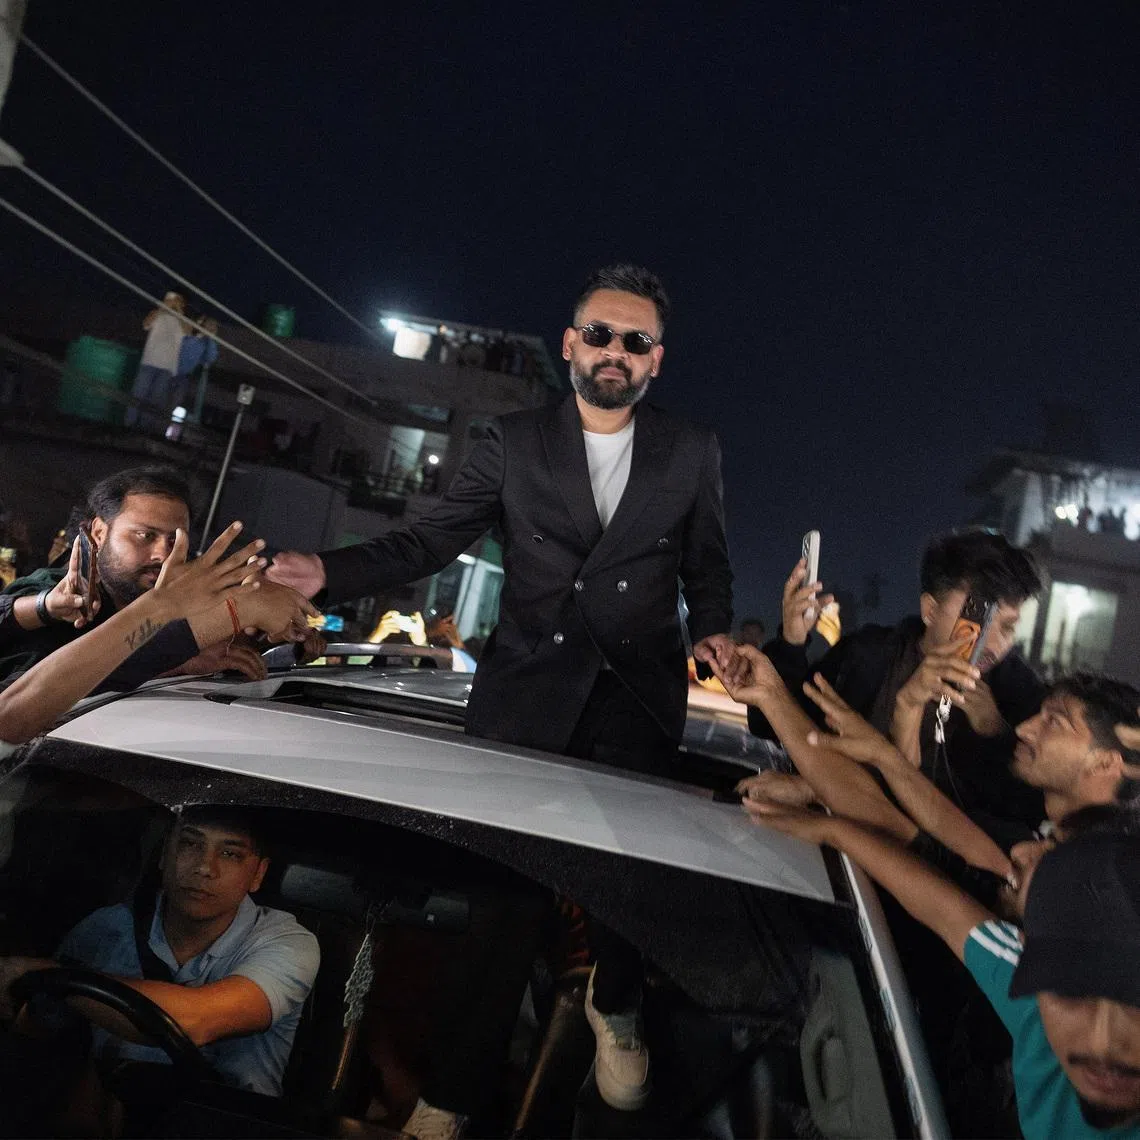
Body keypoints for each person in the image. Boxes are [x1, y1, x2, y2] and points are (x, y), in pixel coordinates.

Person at [269, 264, 737, 1113]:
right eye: (599, 334)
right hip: (530, 693)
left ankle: (616, 1001)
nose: (614, 352)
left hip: (636, 690)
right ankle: (448, 1100)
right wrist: (326, 573)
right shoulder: (514, 441)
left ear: (656, 361)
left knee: (629, 872)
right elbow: (427, 542)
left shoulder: (692, 449)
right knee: (504, 911)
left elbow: (708, 567)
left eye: (635, 342)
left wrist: (714, 629)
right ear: (570, 343)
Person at [751, 803, 1140, 1138]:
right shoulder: (1034, 1006)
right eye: (1068, 987)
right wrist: (833, 830)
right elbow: (942, 909)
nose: (1104, 1042)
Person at [0, 806, 320, 1099]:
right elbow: (39, 1037)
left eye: (230, 854)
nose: (205, 868)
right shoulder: (103, 930)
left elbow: (195, 1020)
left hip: (222, 1123)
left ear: (258, 874)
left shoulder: (287, 943)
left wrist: (44, 974)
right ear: (164, 854)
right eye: (189, 844)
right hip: (110, 1120)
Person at [753, 529, 1046, 844]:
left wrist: (994, 732)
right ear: (930, 610)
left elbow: (1029, 812)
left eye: (1008, 627)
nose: (994, 643)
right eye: (978, 618)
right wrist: (791, 644)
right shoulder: (868, 655)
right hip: (830, 851)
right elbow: (772, 726)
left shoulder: (1020, 692)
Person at [0, 466, 314, 689]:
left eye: (175, 540)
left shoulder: (182, 602)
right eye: (145, 535)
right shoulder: (61, 600)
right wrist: (44, 606)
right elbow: (43, 692)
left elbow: (225, 649)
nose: (162, 554)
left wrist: (276, 636)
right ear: (98, 532)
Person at [126, 292, 189, 432]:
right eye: (169, 300)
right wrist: (163, 308)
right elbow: (146, 323)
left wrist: (178, 310)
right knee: (138, 395)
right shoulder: (157, 314)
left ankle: (144, 429)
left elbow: (188, 331)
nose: (172, 303)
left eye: (175, 300)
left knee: (155, 401)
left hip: (167, 367)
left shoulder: (181, 320)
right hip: (149, 361)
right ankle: (129, 425)